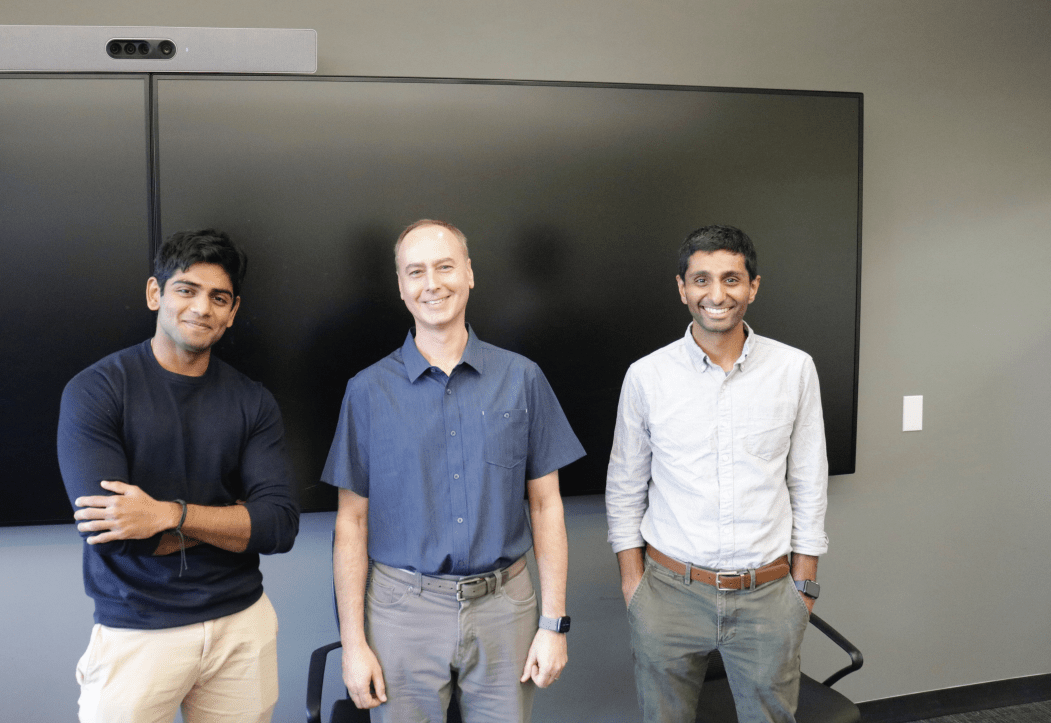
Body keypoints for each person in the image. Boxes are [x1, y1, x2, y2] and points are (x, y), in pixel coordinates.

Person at [322, 219, 585, 723]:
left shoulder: (522, 378)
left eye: (445, 267)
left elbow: (546, 505)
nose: (432, 283)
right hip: (402, 612)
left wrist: (553, 623)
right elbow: (350, 524)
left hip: (505, 606)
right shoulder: (367, 391)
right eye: (415, 272)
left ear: (469, 274)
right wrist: (353, 644)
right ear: (401, 287)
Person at [57, 228, 299, 723]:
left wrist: (166, 515)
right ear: (155, 294)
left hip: (241, 625)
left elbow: (278, 526)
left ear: (232, 312)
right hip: (138, 631)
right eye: (186, 289)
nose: (201, 308)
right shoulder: (96, 392)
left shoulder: (252, 401)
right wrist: (233, 526)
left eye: (219, 298)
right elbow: (117, 539)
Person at [606, 224, 828, 723]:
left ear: (753, 287)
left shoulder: (794, 370)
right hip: (668, 594)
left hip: (769, 596)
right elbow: (624, 489)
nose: (717, 293)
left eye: (732, 278)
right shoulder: (647, 376)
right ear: (683, 288)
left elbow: (809, 483)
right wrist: (633, 587)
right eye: (701, 279)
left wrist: (803, 588)